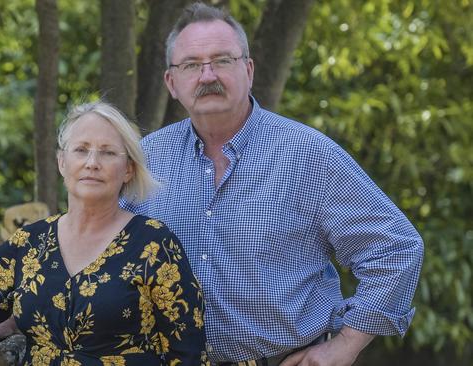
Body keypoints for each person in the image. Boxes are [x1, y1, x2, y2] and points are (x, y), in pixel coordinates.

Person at [122, 3, 424, 366]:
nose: (207, 76)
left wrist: (345, 345)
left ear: (248, 70)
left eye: (222, 60)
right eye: (191, 65)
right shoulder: (147, 159)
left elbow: (397, 250)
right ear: (171, 83)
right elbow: (104, 259)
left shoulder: (310, 156)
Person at [0, 101, 209, 366]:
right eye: (81, 149)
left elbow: (187, 352)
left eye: (108, 152)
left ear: (128, 170)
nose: (92, 163)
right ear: (62, 162)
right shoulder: (28, 243)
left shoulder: (154, 244)